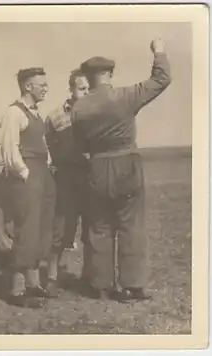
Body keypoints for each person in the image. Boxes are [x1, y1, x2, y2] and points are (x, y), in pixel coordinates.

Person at [71, 38, 172, 301]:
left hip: (96, 167)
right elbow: (161, 79)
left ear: (88, 77)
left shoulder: (79, 108)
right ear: (110, 74)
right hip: (126, 164)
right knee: (131, 226)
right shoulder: (125, 96)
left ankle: (100, 285)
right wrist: (158, 51)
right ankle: (132, 285)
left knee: (99, 226)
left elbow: (79, 144)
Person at [0, 67, 57, 308]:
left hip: (42, 175)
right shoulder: (14, 113)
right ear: (27, 86)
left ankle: (33, 283)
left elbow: (42, 146)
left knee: (42, 228)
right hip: (27, 178)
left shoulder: (36, 114)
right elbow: (9, 150)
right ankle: (17, 289)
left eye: (46, 83)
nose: (45, 88)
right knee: (27, 229)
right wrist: (25, 174)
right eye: (41, 84)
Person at [44, 69, 91, 287]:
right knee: (61, 230)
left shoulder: (97, 113)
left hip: (92, 178)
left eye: (89, 88)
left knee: (93, 230)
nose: (86, 92)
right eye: (82, 88)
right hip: (66, 180)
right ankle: (52, 276)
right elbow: (48, 147)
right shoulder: (54, 117)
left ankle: (92, 277)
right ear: (71, 89)